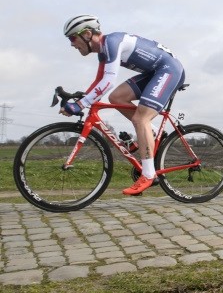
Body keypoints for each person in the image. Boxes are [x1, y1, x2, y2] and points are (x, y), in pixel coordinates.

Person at [60, 15, 186, 195]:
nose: (72, 44)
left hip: (169, 70)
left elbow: (108, 81)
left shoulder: (111, 43)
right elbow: (99, 81)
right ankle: (151, 130)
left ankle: (149, 174)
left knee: (140, 118)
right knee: (117, 97)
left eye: (72, 38)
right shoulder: (104, 52)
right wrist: (83, 98)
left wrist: (81, 104)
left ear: (87, 34)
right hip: (155, 72)